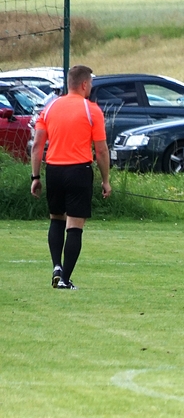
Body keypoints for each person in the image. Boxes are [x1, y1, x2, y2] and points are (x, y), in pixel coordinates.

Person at [29, 65, 111, 290]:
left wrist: (35, 176)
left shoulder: (50, 108)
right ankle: (65, 279)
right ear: (84, 84)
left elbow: (37, 146)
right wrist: (105, 180)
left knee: (56, 219)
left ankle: (56, 266)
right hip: (78, 170)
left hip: (54, 170)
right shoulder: (91, 110)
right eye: (90, 83)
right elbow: (101, 150)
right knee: (74, 224)